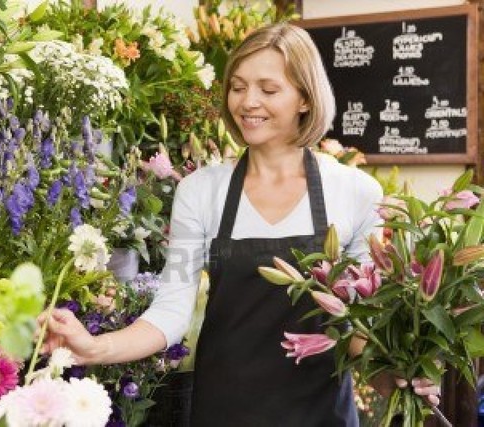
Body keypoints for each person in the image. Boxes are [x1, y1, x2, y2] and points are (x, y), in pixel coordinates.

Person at [38, 23, 439, 426]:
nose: (248, 102)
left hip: (322, 414)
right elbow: (172, 311)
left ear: (304, 97)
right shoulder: (200, 192)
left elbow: (356, 320)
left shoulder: (355, 192)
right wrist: (93, 347)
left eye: (268, 89)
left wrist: (393, 374)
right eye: (238, 87)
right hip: (225, 410)